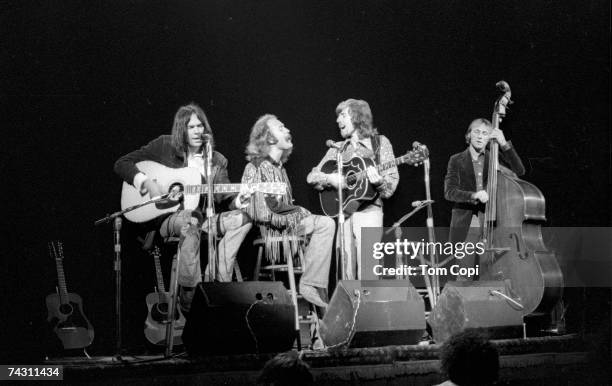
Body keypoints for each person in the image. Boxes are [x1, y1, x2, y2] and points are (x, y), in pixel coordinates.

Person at [114, 103, 252, 312]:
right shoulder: (164, 146)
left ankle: (218, 281)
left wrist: (240, 200)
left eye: (201, 126)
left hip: (205, 220)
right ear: (181, 129)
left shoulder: (216, 160)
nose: (198, 131)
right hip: (172, 219)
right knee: (190, 218)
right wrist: (147, 183)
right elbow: (122, 163)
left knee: (245, 217)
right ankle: (189, 293)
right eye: (191, 127)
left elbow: (226, 197)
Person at [241, 114, 335, 308]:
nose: (288, 130)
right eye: (280, 127)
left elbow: (282, 205)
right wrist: (297, 214)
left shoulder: (281, 170)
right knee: (325, 224)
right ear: (268, 137)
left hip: (291, 227)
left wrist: (296, 214)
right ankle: (310, 285)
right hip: (274, 231)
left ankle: (321, 325)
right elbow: (260, 212)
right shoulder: (255, 167)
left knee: (320, 239)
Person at [307, 99, 399, 280]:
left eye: (342, 115)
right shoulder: (339, 148)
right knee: (345, 273)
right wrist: (330, 179)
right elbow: (312, 177)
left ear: (357, 117)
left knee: (369, 273)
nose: (337, 120)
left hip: (370, 212)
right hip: (344, 215)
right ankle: (347, 308)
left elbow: (390, 186)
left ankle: (368, 309)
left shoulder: (380, 143)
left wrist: (379, 182)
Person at [444, 118, 525, 278]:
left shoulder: (495, 157)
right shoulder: (456, 160)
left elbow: (519, 170)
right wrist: (474, 195)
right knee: (464, 273)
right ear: (469, 135)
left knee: (489, 273)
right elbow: (449, 192)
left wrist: (503, 143)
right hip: (469, 222)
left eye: (486, 133)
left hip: (494, 221)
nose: (481, 136)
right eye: (477, 132)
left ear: (490, 138)